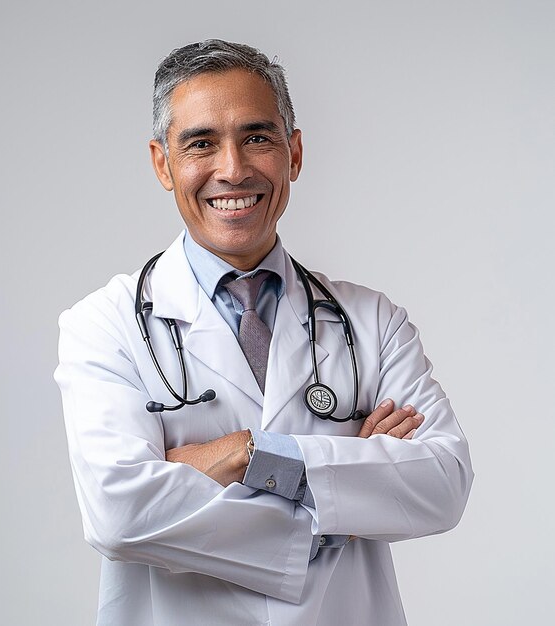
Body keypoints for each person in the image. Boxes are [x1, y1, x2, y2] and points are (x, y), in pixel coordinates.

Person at [54, 39, 473, 626]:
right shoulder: (104, 326)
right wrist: (347, 481)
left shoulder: (373, 322)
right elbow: (119, 513)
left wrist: (242, 458)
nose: (232, 168)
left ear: (294, 153)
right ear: (162, 163)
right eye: (201, 143)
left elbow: (443, 483)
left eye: (257, 137)